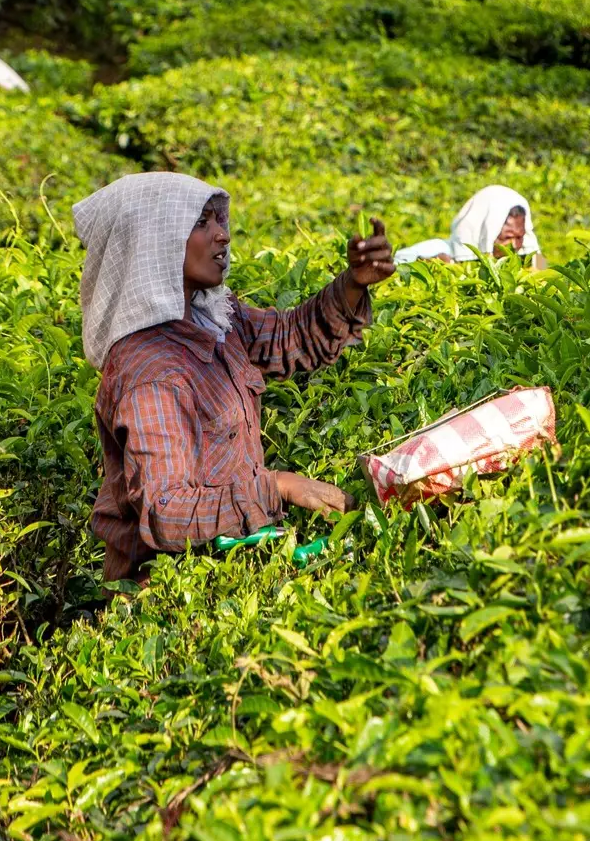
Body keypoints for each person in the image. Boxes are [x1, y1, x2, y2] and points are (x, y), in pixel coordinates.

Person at [73, 172, 396, 582]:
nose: (222, 235)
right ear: (156, 241)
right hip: (167, 601)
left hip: (234, 567)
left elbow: (289, 337)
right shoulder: (151, 372)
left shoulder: (214, 317)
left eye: (218, 221)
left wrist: (353, 284)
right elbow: (167, 513)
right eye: (201, 223)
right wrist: (277, 486)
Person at [394, 184, 547, 271]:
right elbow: (390, 265)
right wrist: (425, 266)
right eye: (507, 237)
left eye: (519, 236)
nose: (514, 245)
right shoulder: (438, 252)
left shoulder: (524, 253)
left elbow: (545, 272)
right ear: (486, 233)